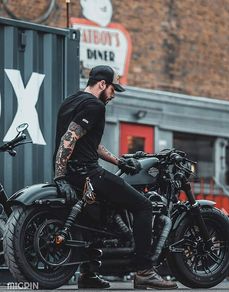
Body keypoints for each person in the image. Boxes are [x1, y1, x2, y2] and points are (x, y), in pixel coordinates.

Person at [53, 65, 177, 290]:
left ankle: (88, 274)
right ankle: (144, 271)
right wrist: (59, 176)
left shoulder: (70, 102)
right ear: (102, 84)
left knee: (100, 218)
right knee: (143, 206)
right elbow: (68, 139)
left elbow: (87, 141)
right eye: (113, 89)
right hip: (87, 174)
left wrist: (119, 162)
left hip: (74, 175)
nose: (114, 94)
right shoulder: (95, 106)